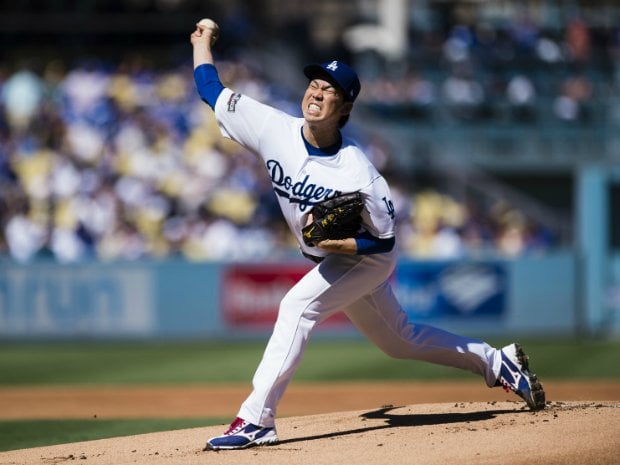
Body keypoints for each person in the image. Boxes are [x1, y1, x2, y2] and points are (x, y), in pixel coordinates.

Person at [190, 21, 546, 451]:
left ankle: (256, 419)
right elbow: (211, 89)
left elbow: (386, 241)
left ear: (344, 108)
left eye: (329, 90)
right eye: (314, 84)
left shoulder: (359, 173)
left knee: (296, 307)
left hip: (365, 257)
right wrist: (202, 43)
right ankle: (499, 362)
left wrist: (342, 245)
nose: (317, 93)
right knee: (399, 341)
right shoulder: (272, 128)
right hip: (331, 259)